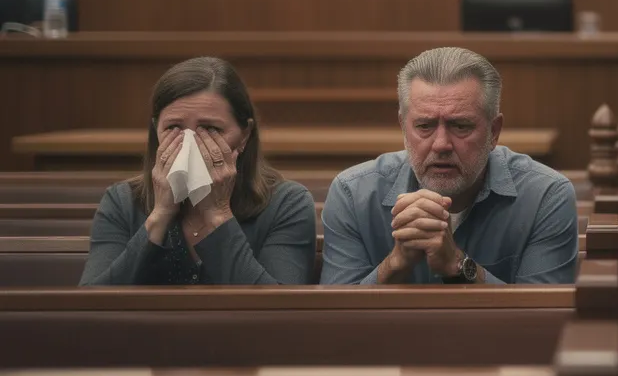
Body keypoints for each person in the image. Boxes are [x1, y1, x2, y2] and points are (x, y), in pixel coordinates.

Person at [319, 46, 578, 285]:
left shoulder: (546, 195)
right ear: (403, 128)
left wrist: (457, 264)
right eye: (424, 126)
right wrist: (396, 264)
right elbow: (330, 325)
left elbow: (545, 322)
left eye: (461, 126)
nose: (441, 144)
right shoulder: (353, 194)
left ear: (494, 132)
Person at [80, 57, 317, 285]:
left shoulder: (287, 203)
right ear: (156, 131)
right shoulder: (122, 202)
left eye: (210, 129)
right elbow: (91, 307)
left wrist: (218, 213)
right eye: (173, 128)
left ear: (244, 135)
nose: (190, 143)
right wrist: (160, 215)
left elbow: (280, 311)